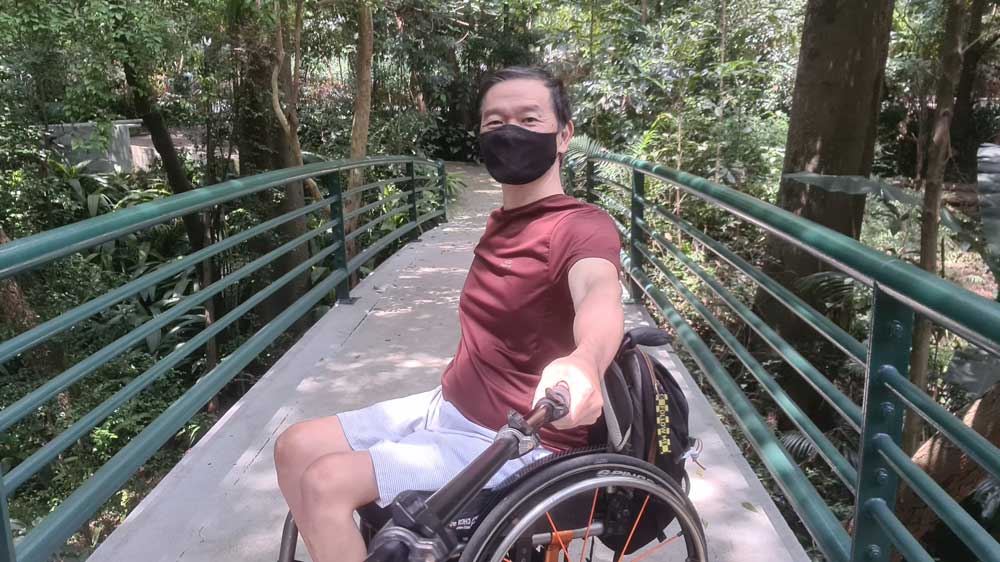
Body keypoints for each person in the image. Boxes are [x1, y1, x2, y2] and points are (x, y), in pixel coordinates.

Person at [273, 66, 624, 562]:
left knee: (326, 483)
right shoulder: (503, 221)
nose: (510, 133)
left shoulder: (580, 227)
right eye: (494, 123)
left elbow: (598, 291)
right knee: (294, 447)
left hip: (518, 442)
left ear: (563, 135)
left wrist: (586, 359)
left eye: (529, 118)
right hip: (450, 408)